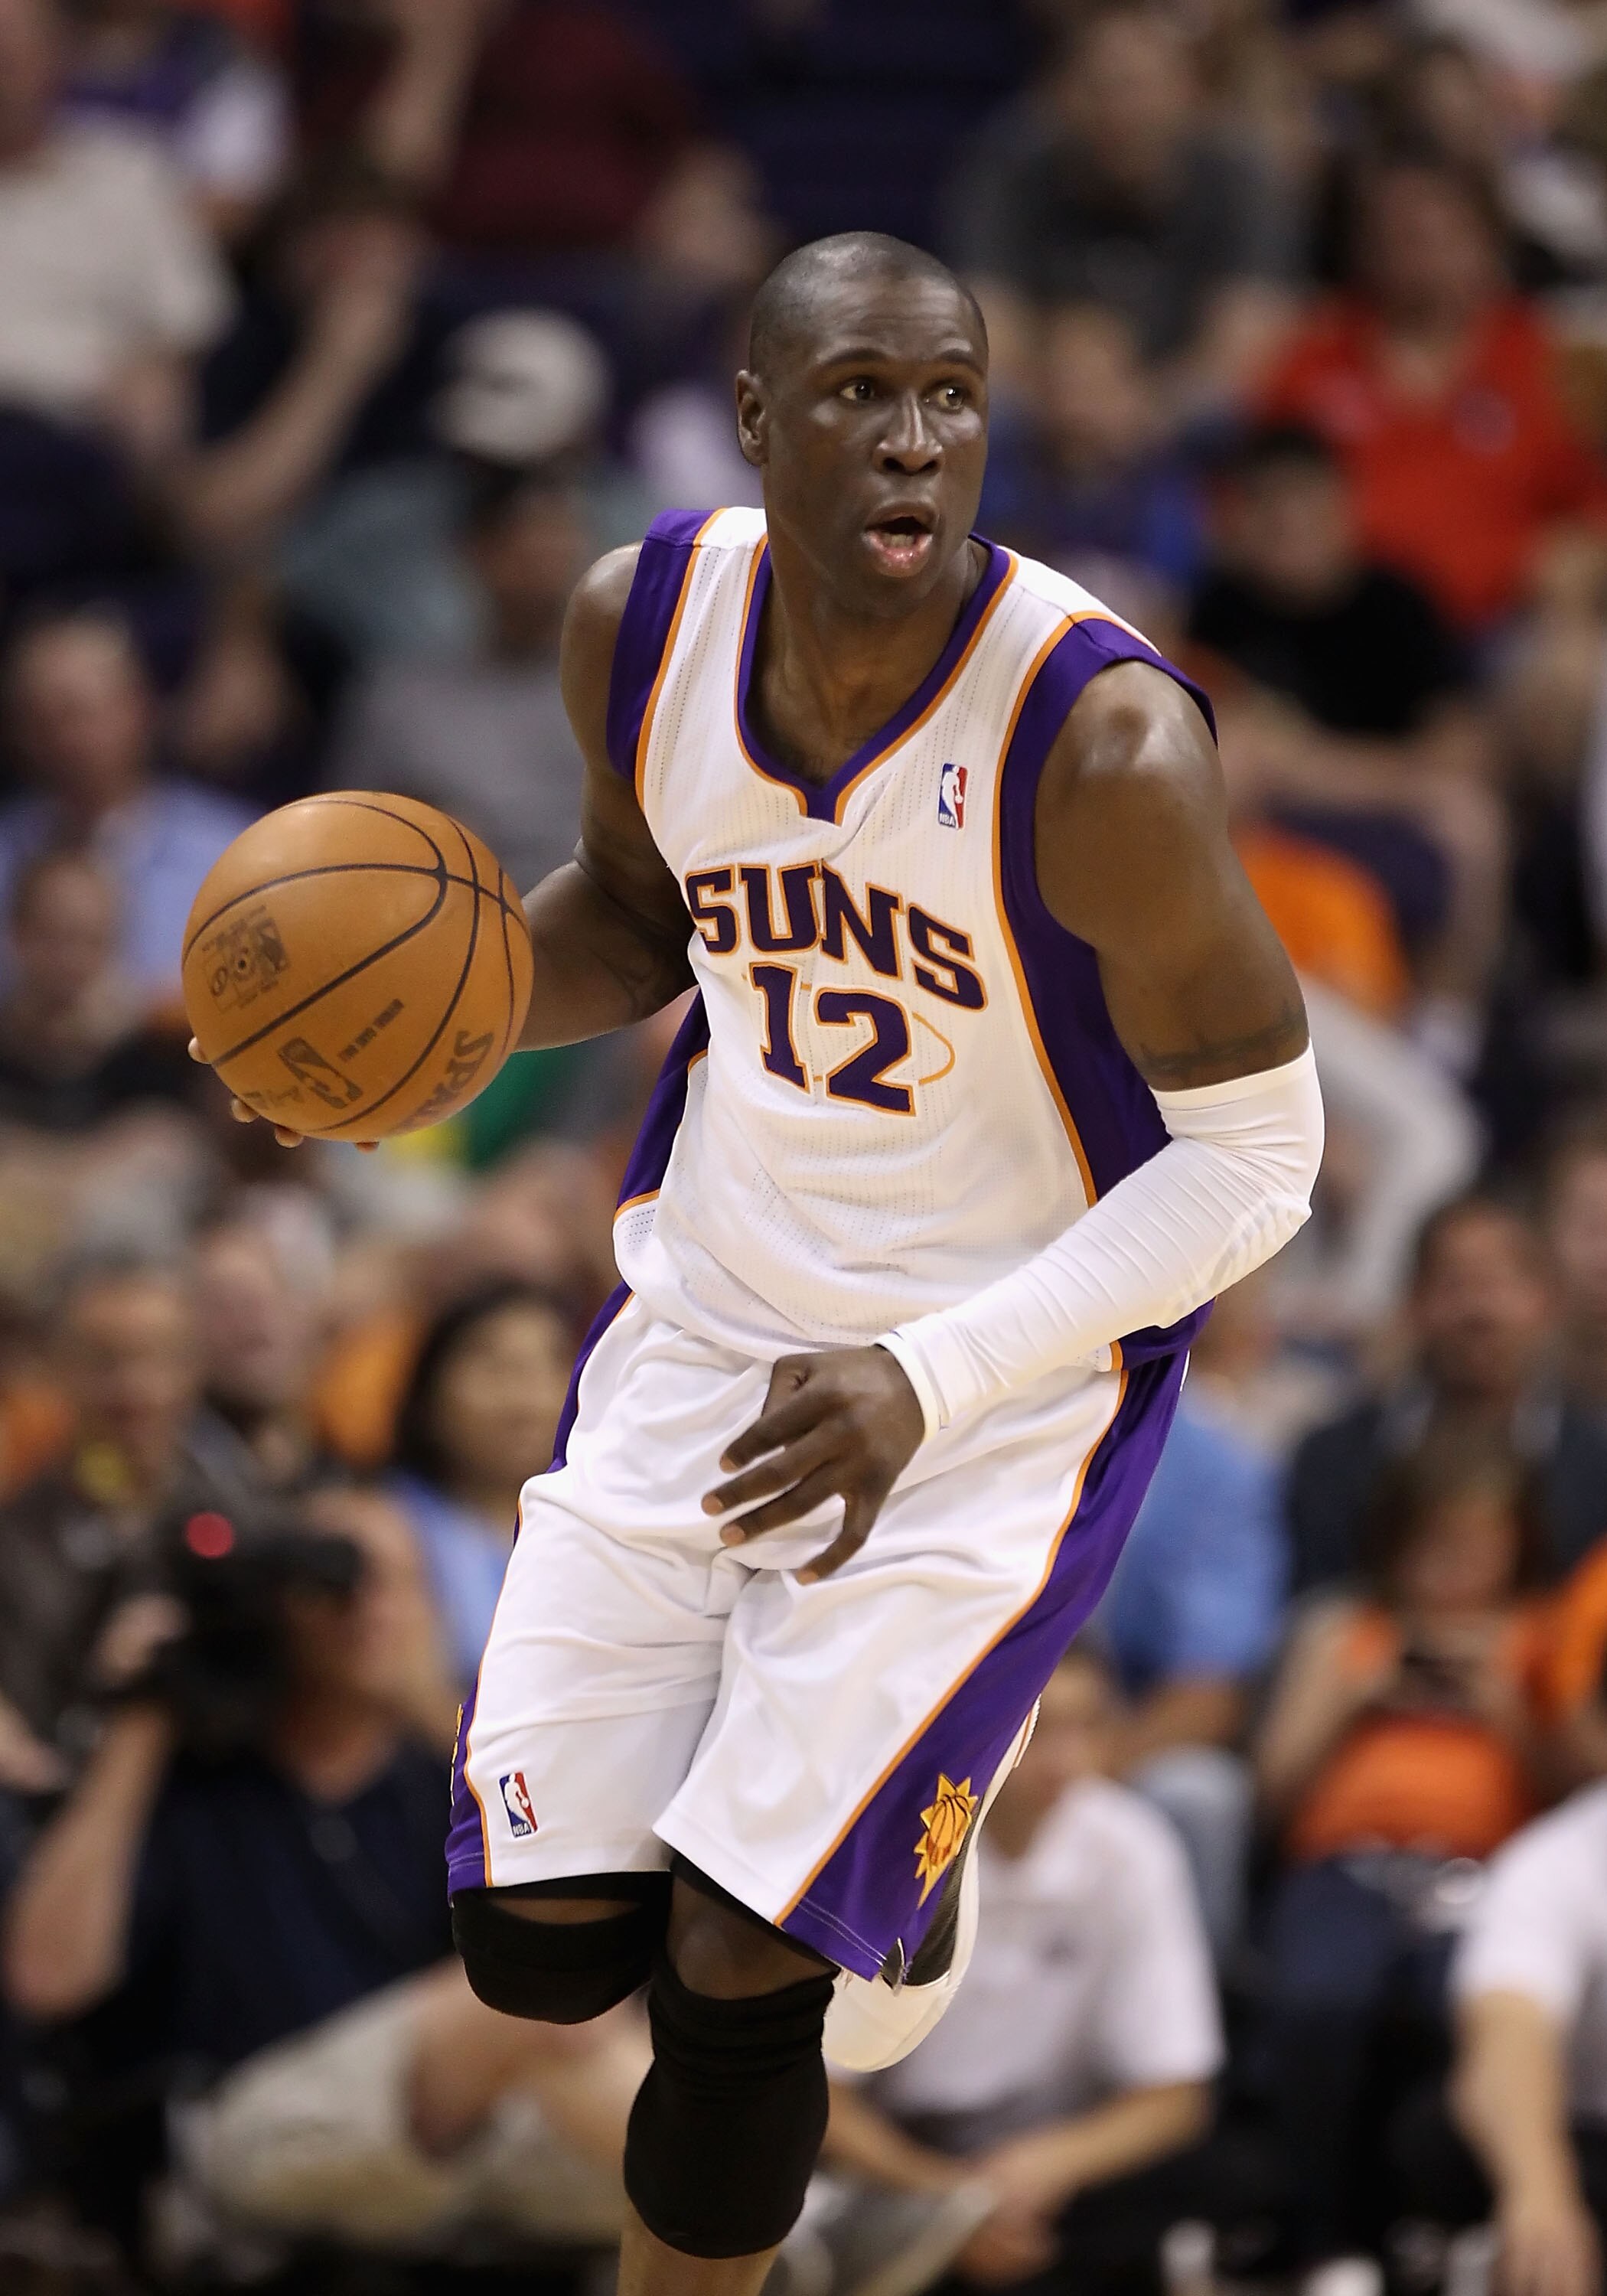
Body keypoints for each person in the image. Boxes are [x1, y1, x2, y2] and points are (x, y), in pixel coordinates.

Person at [204, 227, 1322, 2291]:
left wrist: (938, 1376)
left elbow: (1262, 1159)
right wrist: (403, 1040)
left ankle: (865, 1878)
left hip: (983, 1394)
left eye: (950, 398)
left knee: (738, 1977)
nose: (914, 444)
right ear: (748, 419)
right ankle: (869, 1860)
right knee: (539, 1955)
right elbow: (639, 919)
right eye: (857, 397)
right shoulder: (645, 624)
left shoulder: (1102, 749)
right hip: (710, 1318)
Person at [2, 1490, 648, 2265]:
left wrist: (436, 1706)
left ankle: (793, 2217)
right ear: (277, 1600)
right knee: (541, 2007)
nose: (365, 1607)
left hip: (431, 2136)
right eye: (337, 1578)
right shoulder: (192, 1777)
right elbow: (45, 1977)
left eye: (396, 1583)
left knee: (643, 2094)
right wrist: (143, 1715)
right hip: (235, 2129)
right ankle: (801, 2204)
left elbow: (574, 1921)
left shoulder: (437, 1776)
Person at [818, 1642, 1224, 2296]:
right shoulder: (897, 1850)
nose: (1065, 1758)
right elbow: (816, 2088)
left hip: (1047, 2164)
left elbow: (1176, 2094)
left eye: (1087, 1725)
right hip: (893, 2158)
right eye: (1039, 1728)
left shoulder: (1132, 1845)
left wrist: (1043, 2167)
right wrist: (946, 2201)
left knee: (1218, 2177)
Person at [1255, 1430, 1555, 2275]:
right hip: (1345, 1864)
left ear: (1516, 1544)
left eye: (1476, 1544)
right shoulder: (1346, 1628)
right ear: (1394, 1538)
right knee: (1320, 2001)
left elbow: (1571, 1798)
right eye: (1432, 1542)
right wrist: (1355, 1697)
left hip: (1487, 1870)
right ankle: (1325, 2238)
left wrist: (1504, 1705)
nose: (1452, 1566)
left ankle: (1437, 2230)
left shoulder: (1538, 1635)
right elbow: (1273, 1791)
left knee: (1465, 2009)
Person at [1257, 148, 1607, 636]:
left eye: (1439, 233)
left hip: (1503, 632)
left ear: (1488, 240)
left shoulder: (1547, 362)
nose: (1421, 251)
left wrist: (1580, 560)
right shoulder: (1312, 358)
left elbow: (1593, 505)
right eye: (1399, 234)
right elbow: (1248, 494)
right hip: (1329, 630)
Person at [946, 0, 1297, 415]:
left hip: (1177, 420)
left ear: (1192, 94)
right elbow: (992, 337)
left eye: (1139, 87)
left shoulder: (1242, 178)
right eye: (1100, 88)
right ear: (1062, 96)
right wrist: (1074, 402)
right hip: (1048, 413)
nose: (1120, 111)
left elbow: (1246, 352)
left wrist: (1135, 410)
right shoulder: (1011, 166)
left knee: (1231, 412)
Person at [1285, 1195, 1607, 1595]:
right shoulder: (1333, 1461)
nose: (1480, 1310)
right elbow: (1313, 1606)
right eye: (1455, 1282)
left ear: (1549, 1300)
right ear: (1413, 1303)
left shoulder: (1598, 1465)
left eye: (1502, 1281)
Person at [326, 470, 592, 892]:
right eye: (518, 537)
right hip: (445, 919)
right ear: (473, 552)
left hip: (605, 929)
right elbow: (342, 845)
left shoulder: (633, 690)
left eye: (557, 534)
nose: (541, 557)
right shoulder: (400, 696)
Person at [1097, 1392, 1285, 1959]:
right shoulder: (953, 1398)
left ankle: (1189, 2040)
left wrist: (1082, 1766)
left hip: (1112, 1733)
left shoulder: (1207, 1459)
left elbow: (1211, 1688)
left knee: (1199, 1796)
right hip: (951, 1721)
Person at [0, 612, 252, 1004]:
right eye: (38, 720)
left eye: (77, 713)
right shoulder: (6, 849)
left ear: (137, 708)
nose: (62, 740)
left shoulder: (230, 852)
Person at [1425, 1783, 1607, 2296]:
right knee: (1431, 2138)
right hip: (1589, 2146)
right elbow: (1507, 2028)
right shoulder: (1561, 1858)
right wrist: (1542, 2196)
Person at [386, 1281, 579, 1687]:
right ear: (428, 1391)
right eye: (493, 1366)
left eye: (547, 1364)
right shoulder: (386, 1527)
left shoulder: (608, 1520)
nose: (524, 1395)